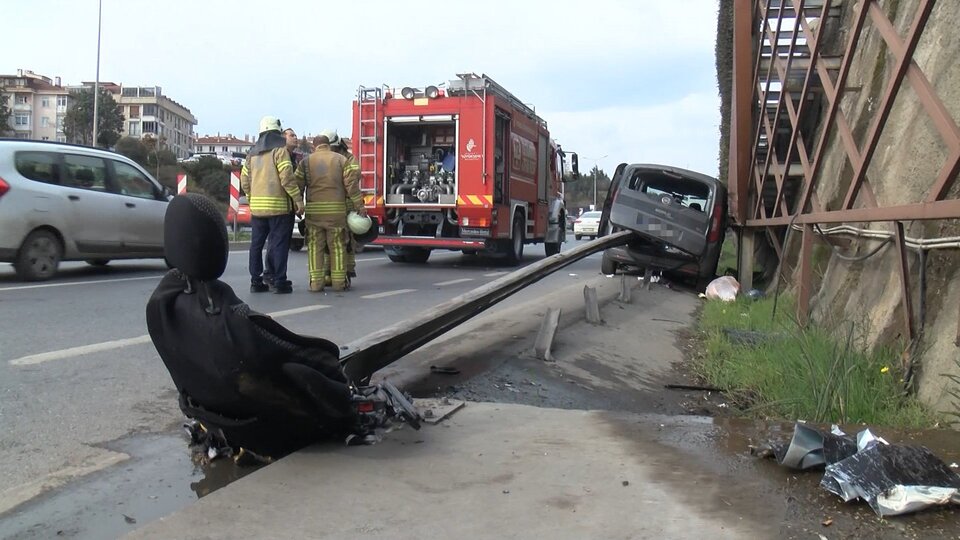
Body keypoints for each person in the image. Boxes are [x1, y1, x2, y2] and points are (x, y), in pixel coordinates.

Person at [240, 116, 303, 294]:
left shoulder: (252, 154)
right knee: (279, 244)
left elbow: (244, 180)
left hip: (257, 210)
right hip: (279, 209)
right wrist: (298, 200)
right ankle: (280, 281)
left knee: (256, 245)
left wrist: (251, 197)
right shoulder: (280, 151)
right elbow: (287, 178)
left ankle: (256, 281)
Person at [295, 134, 364, 292]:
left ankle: (316, 284)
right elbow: (352, 186)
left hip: (314, 214)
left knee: (315, 247)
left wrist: (297, 205)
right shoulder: (341, 160)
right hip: (336, 213)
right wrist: (359, 206)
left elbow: (297, 185)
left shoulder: (306, 162)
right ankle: (339, 283)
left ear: (314, 146)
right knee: (338, 247)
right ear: (329, 145)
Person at [320, 128, 361, 281]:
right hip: (328, 204)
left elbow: (353, 179)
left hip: (346, 204)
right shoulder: (323, 158)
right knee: (326, 241)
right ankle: (327, 273)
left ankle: (346, 272)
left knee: (346, 240)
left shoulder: (349, 159)